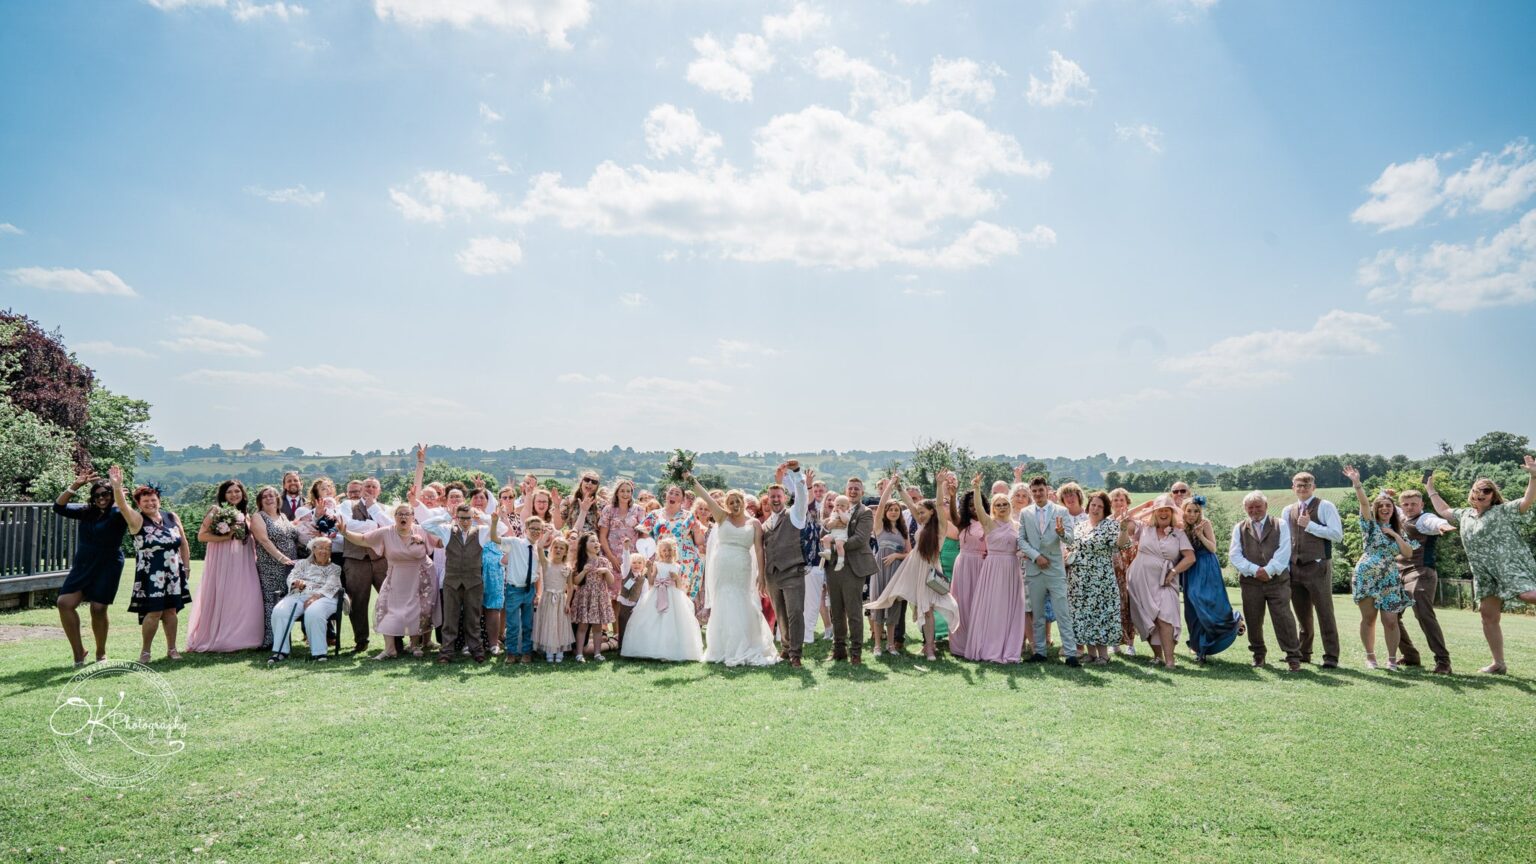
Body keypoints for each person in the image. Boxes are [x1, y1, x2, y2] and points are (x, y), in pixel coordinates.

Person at [1426, 458, 1536, 674]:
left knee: (1528, 596)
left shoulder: (1503, 510)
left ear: (1493, 495)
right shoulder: (1465, 514)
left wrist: (1533, 476)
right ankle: (1499, 664)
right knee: (1488, 616)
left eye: (1486, 491)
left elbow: (1526, 501)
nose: (1481, 494)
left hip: (1508, 566)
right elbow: (1444, 510)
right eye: (1477, 491)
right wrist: (1430, 488)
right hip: (1484, 573)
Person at [687, 473, 779, 667]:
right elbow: (705, 496)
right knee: (723, 601)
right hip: (722, 566)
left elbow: (760, 551)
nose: (735, 504)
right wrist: (689, 478)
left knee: (741, 600)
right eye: (731, 502)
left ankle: (744, 644)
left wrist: (760, 576)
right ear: (727, 504)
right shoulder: (722, 517)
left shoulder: (754, 524)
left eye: (737, 501)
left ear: (743, 502)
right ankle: (721, 647)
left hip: (742, 567)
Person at [865, 478, 961, 661]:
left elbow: (940, 504)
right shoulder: (922, 523)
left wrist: (940, 486)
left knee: (928, 610)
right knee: (894, 595)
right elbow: (909, 503)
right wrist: (899, 487)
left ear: (932, 512)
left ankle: (930, 648)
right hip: (912, 567)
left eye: (923, 512)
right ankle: (885, 635)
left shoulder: (941, 527)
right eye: (919, 513)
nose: (920, 515)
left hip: (929, 569)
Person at [337, 504, 439, 659]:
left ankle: (414, 645)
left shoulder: (422, 530)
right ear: (395, 516)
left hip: (422, 575)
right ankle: (389, 649)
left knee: (419, 610)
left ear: (413, 517)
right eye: (400, 514)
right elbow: (364, 539)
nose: (403, 517)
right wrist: (345, 532)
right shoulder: (386, 532)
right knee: (387, 609)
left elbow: (439, 542)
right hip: (396, 576)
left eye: (407, 514)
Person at [53, 468, 129, 666]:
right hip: (83, 564)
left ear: (111, 495)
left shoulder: (118, 512)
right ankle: (79, 652)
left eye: (105, 494)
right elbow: (58, 507)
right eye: (96, 496)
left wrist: (118, 488)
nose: (101, 498)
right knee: (64, 603)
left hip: (108, 564)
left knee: (98, 608)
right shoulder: (87, 513)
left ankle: (101, 653)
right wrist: (76, 485)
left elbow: (126, 509)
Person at [115, 470, 191, 663]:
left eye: (153, 499)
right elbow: (123, 507)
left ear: (159, 500)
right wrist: (116, 488)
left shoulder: (171, 517)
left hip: (173, 571)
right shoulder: (137, 520)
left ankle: (172, 649)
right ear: (139, 504)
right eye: (145, 501)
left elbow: (183, 542)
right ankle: (146, 651)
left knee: (171, 611)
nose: (150, 503)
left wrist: (186, 568)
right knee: (154, 612)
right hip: (150, 573)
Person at [1343, 466, 1416, 670]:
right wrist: (1357, 483)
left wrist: (1394, 535)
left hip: (1390, 578)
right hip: (1366, 574)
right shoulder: (1369, 524)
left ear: (1393, 509)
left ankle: (1392, 659)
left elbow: (1408, 553)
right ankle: (1370, 656)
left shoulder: (1399, 529)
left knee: (1391, 620)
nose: (1385, 508)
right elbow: (1364, 502)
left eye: (1388, 505)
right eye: (1381, 505)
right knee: (1369, 619)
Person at [187, 479, 265, 653]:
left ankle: (244, 636)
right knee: (226, 595)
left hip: (245, 561)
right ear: (223, 495)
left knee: (247, 597)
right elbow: (201, 536)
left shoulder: (246, 514)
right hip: (224, 560)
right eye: (229, 492)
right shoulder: (216, 511)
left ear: (243, 494)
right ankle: (223, 636)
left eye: (237, 491)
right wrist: (226, 537)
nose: (234, 495)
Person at [1228, 491, 1301, 671]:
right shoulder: (1239, 527)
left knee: (1284, 617)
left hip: (1277, 580)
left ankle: (1293, 656)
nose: (1254, 510)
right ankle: (1258, 654)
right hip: (1250, 582)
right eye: (1250, 507)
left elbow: (1285, 550)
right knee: (1253, 618)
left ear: (1266, 507)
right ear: (1245, 509)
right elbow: (1235, 555)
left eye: (1258, 506)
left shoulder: (1280, 524)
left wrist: (1268, 570)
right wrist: (1255, 570)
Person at [1123, 495, 1195, 670]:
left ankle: (1170, 660)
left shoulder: (1178, 534)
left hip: (1165, 580)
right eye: (1159, 510)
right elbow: (1124, 522)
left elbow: (1190, 557)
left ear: (1172, 513)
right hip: (1139, 579)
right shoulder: (1144, 528)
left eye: (1166, 510)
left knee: (1166, 617)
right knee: (1146, 618)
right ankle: (1157, 656)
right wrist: (1144, 507)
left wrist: (1174, 571)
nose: (1163, 513)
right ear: (1154, 513)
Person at [1282, 472, 1345, 668]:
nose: (1302, 488)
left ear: (1313, 487)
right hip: (1294, 567)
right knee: (1302, 614)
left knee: (1325, 612)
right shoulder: (1288, 510)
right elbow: (1285, 541)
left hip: (1318, 565)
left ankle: (1331, 656)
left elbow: (1337, 535)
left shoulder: (1325, 506)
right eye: (1298, 485)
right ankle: (1304, 652)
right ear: (1293, 487)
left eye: (1306, 485)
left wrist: (1310, 526)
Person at [962, 473, 1024, 664]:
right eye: (998, 504)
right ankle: (989, 647)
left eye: (1005, 504)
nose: (1002, 507)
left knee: (1010, 609)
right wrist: (977, 487)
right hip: (992, 568)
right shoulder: (988, 523)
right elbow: (979, 508)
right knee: (993, 608)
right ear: (993, 507)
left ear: (1010, 506)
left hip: (1012, 568)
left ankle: (1009, 647)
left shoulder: (1017, 525)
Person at [1393, 488, 1457, 674]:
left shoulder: (1423, 519)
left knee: (1423, 613)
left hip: (1421, 572)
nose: (1409, 507)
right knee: (1390, 614)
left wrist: (1442, 526)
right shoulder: (1401, 516)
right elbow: (1394, 509)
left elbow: (1434, 521)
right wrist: (1385, 494)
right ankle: (1410, 655)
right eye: (1406, 504)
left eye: (1414, 504)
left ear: (1421, 505)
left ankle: (1443, 661)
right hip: (1398, 572)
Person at [1018, 476, 1080, 666]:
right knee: (1037, 614)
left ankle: (1071, 654)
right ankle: (1040, 652)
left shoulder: (1061, 511)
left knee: (1062, 612)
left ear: (1047, 490)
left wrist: (1061, 533)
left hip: (1055, 569)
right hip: (1035, 569)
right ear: (1031, 492)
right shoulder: (1025, 513)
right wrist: (1037, 556)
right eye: (1034, 491)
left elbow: (1071, 540)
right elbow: (1021, 540)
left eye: (1041, 490)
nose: (1037, 494)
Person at [756, 462, 813, 666]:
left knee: (795, 613)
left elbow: (803, 496)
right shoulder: (765, 524)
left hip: (792, 571)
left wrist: (797, 474)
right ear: (767, 500)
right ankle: (786, 649)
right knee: (780, 614)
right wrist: (762, 577)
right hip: (773, 575)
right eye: (772, 497)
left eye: (779, 496)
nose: (775, 499)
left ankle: (796, 654)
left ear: (785, 498)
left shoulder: (796, 516)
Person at [621, 538, 705, 662]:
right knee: (652, 620)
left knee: (671, 621)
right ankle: (651, 648)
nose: (667, 552)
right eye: (664, 550)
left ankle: (669, 650)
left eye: (670, 550)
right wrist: (649, 569)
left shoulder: (677, 566)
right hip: (657, 593)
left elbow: (679, 586)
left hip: (672, 596)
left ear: (674, 551)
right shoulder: (657, 564)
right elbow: (650, 582)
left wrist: (676, 578)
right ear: (660, 552)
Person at [1180, 496, 1242, 662]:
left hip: (1206, 565)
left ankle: (1234, 620)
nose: (1193, 514)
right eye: (1189, 511)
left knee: (1201, 599)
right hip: (1189, 568)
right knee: (1192, 608)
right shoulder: (1180, 526)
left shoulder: (1204, 524)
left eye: (1196, 511)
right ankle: (1200, 649)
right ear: (1184, 511)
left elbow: (1213, 548)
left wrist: (1200, 536)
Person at [1064, 491, 1123, 664]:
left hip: (1100, 579)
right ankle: (1091, 653)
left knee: (1100, 613)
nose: (1095, 508)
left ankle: (1104, 655)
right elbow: (1072, 546)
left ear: (1105, 509)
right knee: (1083, 614)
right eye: (1093, 505)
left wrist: (1124, 528)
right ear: (1088, 506)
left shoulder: (1110, 525)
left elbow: (1121, 545)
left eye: (1100, 506)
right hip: (1078, 579)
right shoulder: (1080, 525)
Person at [267, 538, 343, 663]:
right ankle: (280, 651)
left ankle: (319, 653)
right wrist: (295, 583)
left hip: (324, 597)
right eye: (321, 548)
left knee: (314, 612)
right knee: (280, 611)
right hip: (299, 595)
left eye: (328, 549)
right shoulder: (302, 564)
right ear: (313, 549)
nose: (324, 551)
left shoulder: (335, 568)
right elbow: (292, 576)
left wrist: (315, 597)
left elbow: (332, 585)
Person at [825, 477, 876, 664]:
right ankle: (839, 649)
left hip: (853, 567)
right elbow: (826, 527)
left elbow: (861, 539)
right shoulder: (837, 508)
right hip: (833, 567)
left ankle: (856, 652)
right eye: (850, 488)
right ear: (845, 491)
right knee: (836, 610)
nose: (853, 491)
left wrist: (835, 547)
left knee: (854, 611)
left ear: (862, 492)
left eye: (856, 489)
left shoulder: (865, 512)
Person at [339, 477, 391, 654]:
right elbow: (346, 525)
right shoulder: (348, 505)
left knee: (390, 599)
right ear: (361, 490)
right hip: (355, 560)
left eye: (374, 487)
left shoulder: (385, 509)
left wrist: (373, 514)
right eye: (366, 486)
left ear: (379, 490)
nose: (370, 489)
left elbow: (391, 528)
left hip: (381, 560)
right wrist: (374, 525)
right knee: (358, 602)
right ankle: (361, 640)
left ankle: (394, 641)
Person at [249, 485, 302, 651]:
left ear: (278, 498)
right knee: (271, 601)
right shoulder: (258, 516)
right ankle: (270, 641)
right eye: (265, 496)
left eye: (272, 495)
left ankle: (284, 637)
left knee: (287, 601)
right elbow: (264, 540)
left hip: (290, 566)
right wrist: (281, 558)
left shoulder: (283, 516)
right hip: (271, 565)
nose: (269, 498)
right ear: (260, 500)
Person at [490, 512, 544, 665]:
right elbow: (494, 538)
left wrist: (538, 593)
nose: (535, 532)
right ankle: (511, 653)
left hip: (530, 590)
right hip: (514, 590)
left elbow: (538, 574)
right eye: (532, 528)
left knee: (528, 624)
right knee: (513, 625)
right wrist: (494, 522)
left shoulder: (538, 550)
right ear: (526, 529)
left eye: (539, 529)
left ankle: (526, 653)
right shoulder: (515, 543)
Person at [639, 485, 704, 603]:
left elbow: (699, 541)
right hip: (662, 560)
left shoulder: (688, 516)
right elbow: (643, 536)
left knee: (680, 598)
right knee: (661, 596)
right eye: (671, 492)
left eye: (677, 494)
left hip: (685, 562)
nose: (673, 495)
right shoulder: (654, 515)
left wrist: (697, 531)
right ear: (666, 495)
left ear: (683, 500)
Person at [947, 487, 989, 660]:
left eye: (976, 505)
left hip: (982, 565)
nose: (973, 508)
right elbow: (952, 514)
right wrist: (952, 496)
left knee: (980, 604)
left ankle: (980, 643)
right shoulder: (962, 523)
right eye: (970, 505)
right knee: (961, 604)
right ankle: (961, 645)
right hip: (963, 564)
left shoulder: (989, 522)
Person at [870, 482, 910, 658]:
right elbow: (879, 506)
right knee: (879, 605)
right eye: (890, 509)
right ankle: (878, 645)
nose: (893, 512)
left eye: (896, 509)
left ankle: (891, 645)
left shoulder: (903, 531)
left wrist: (896, 556)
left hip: (897, 572)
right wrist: (891, 486)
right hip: (880, 569)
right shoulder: (879, 527)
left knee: (894, 606)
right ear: (885, 512)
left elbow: (909, 553)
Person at [569, 532, 615, 662]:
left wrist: (606, 571)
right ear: (584, 545)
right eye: (592, 541)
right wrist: (584, 571)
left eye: (596, 541)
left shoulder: (604, 561)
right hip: (584, 597)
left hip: (599, 598)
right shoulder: (580, 562)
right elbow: (576, 582)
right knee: (582, 626)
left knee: (597, 627)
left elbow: (611, 582)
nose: (596, 543)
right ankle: (579, 653)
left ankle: (597, 653)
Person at [532, 534, 575, 663]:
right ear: (551, 549)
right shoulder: (545, 563)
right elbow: (539, 547)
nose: (558, 550)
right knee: (548, 623)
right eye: (555, 547)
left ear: (565, 551)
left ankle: (560, 651)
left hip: (561, 599)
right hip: (547, 598)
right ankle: (550, 651)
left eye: (561, 548)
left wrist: (568, 603)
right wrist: (547, 533)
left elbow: (571, 587)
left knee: (560, 624)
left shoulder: (567, 568)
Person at [1108, 488, 1139, 656]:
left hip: (1128, 566)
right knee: (1114, 603)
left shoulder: (1133, 521)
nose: (1118, 503)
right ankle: (1114, 641)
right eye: (1115, 500)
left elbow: (1128, 541)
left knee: (1128, 603)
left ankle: (1130, 643)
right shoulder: (1106, 521)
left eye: (1121, 500)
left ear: (1127, 502)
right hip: (1112, 566)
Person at [819, 496, 852, 570]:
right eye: (837, 505)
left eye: (842, 505)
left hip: (842, 534)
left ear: (847, 507)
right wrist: (832, 522)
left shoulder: (847, 513)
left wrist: (840, 513)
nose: (839, 507)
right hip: (833, 533)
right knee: (826, 538)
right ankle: (827, 552)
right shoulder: (834, 513)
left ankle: (841, 561)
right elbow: (830, 525)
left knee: (839, 545)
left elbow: (845, 521)